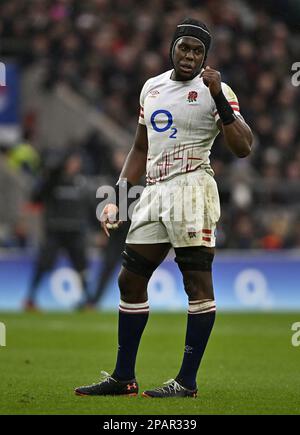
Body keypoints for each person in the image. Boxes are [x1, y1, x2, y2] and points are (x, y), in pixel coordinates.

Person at [75, 18, 253, 398]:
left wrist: (219, 95)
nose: (189, 55)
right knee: (130, 279)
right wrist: (119, 199)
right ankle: (124, 378)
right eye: (184, 47)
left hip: (192, 187)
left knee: (196, 284)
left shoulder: (216, 90)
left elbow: (243, 147)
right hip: (154, 191)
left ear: (206, 56)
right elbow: (140, 148)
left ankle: (186, 382)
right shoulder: (151, 88)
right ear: (172, 48)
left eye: (197, 51)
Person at [24, 150, 92, 310]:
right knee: (44, 264)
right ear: (66, 162)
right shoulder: (53, 182)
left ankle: (88, 301)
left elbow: (88, 208)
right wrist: (47, 176)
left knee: (81, 266)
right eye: (73, 161)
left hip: (75, 232)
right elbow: (35, 198)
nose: (76, 165)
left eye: (78, 162)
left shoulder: (81, 183)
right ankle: (30, 299)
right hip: (55, 231)